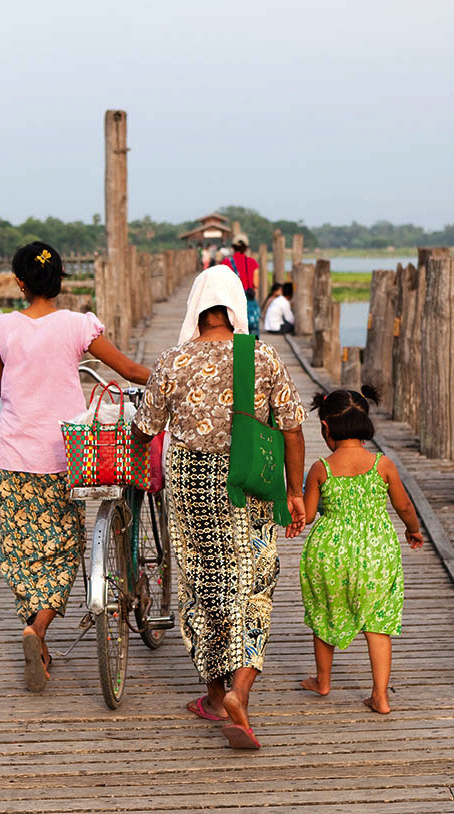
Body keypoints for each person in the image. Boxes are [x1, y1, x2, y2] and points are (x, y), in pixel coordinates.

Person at [132, 267, 306, 749]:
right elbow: (292, 427)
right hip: (249, 481)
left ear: (195, 308)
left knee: (203, 584)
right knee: (252, 584)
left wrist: (133, 447)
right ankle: (241, 693)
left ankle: (213, 696)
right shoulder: (263, 357)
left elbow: (146, 429)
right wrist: (294, 491)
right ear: (234, 308)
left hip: (192, 484)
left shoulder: (172, 361)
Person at [0, 241, 150, 692]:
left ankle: (32, 631)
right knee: (65, 547)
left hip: (15, 458)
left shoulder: (0, 328)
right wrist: (168, 382)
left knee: (22, 552)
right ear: (61, 281)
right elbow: (129, 369)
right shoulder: (78, 325)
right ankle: (37, 632)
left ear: (19, 282)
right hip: (66, 454)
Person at [296, 386, 425, 715]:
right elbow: (404, 506)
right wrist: (413, 530)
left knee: (324, 614)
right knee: (378, 622)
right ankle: (380, 696)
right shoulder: (382, 465)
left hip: (329, 552)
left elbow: (308, 516)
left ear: (325, 427)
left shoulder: (320, 469)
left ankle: (323, 681)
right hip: (376, 553)